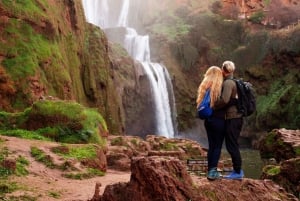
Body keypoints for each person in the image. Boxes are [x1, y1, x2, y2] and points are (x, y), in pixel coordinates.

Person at [215, 60, 244, 179]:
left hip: (232, 118)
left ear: (223, 70)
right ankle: (237, 170)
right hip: (238, 117)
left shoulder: (228, 83)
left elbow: (225, 100)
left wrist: (214, 105)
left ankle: (237, 172)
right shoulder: (236, 82)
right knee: (233, 144)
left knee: (232, 145)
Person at [196, 66, 225, 180]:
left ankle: (210, 170)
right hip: (218, 121)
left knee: (211, 146)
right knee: (217, 146)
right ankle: (213, 173)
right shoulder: (218, 88)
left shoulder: (204, 88)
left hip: (208, 121)